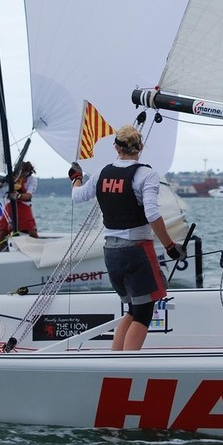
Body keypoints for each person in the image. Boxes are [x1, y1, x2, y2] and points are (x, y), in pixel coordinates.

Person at [70, 125, 186, 351]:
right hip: (136, 251)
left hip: (111, 253)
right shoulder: (147, 175)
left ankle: (116, 360)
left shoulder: (102, 172)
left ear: (116, 147)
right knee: (143, 312)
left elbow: (78, 196)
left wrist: (75, 178)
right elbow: (152, 213)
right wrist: (170, 246)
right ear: (140, 147)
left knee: (133, 309)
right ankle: (128, 363)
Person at [0, 161, 39, 251]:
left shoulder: (31, 180)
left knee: (31, 231)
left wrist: (19, 196)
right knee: (3, 230)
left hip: (24, 206)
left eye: (24, 172)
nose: (21, 174)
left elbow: (29, 195)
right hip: (11, 206)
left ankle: (38, 250)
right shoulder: (13, 177)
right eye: (20, 172)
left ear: (28, 171)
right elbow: (0, 184)